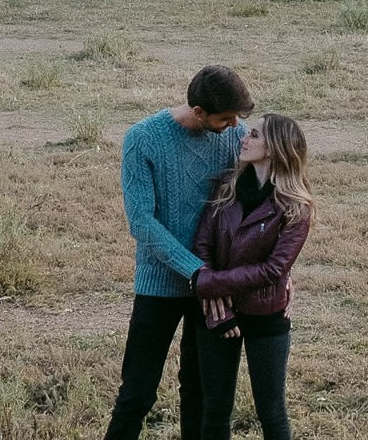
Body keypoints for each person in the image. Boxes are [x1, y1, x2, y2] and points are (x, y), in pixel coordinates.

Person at [102, 64, 253, 440]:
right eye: (227, 117)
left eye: (238, 117)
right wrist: (194, 270)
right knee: (137, 392)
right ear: (199, 112)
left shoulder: (236, 138)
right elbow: (141, 222)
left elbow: (260, 203)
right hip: (160, 283)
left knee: (198, 392)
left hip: (212, 286)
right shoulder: (143, 138)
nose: (236, 125)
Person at [191, 113, 314, 440]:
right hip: (218, 313)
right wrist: (212, 294)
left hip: (266, 314)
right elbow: (202, 241)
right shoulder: (225, 185)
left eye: (254, 135)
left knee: (271, 410)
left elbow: (276, 268)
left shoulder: (295, 206)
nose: (244, 139)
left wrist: (210, 284)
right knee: (215, 408)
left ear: (274, 149)